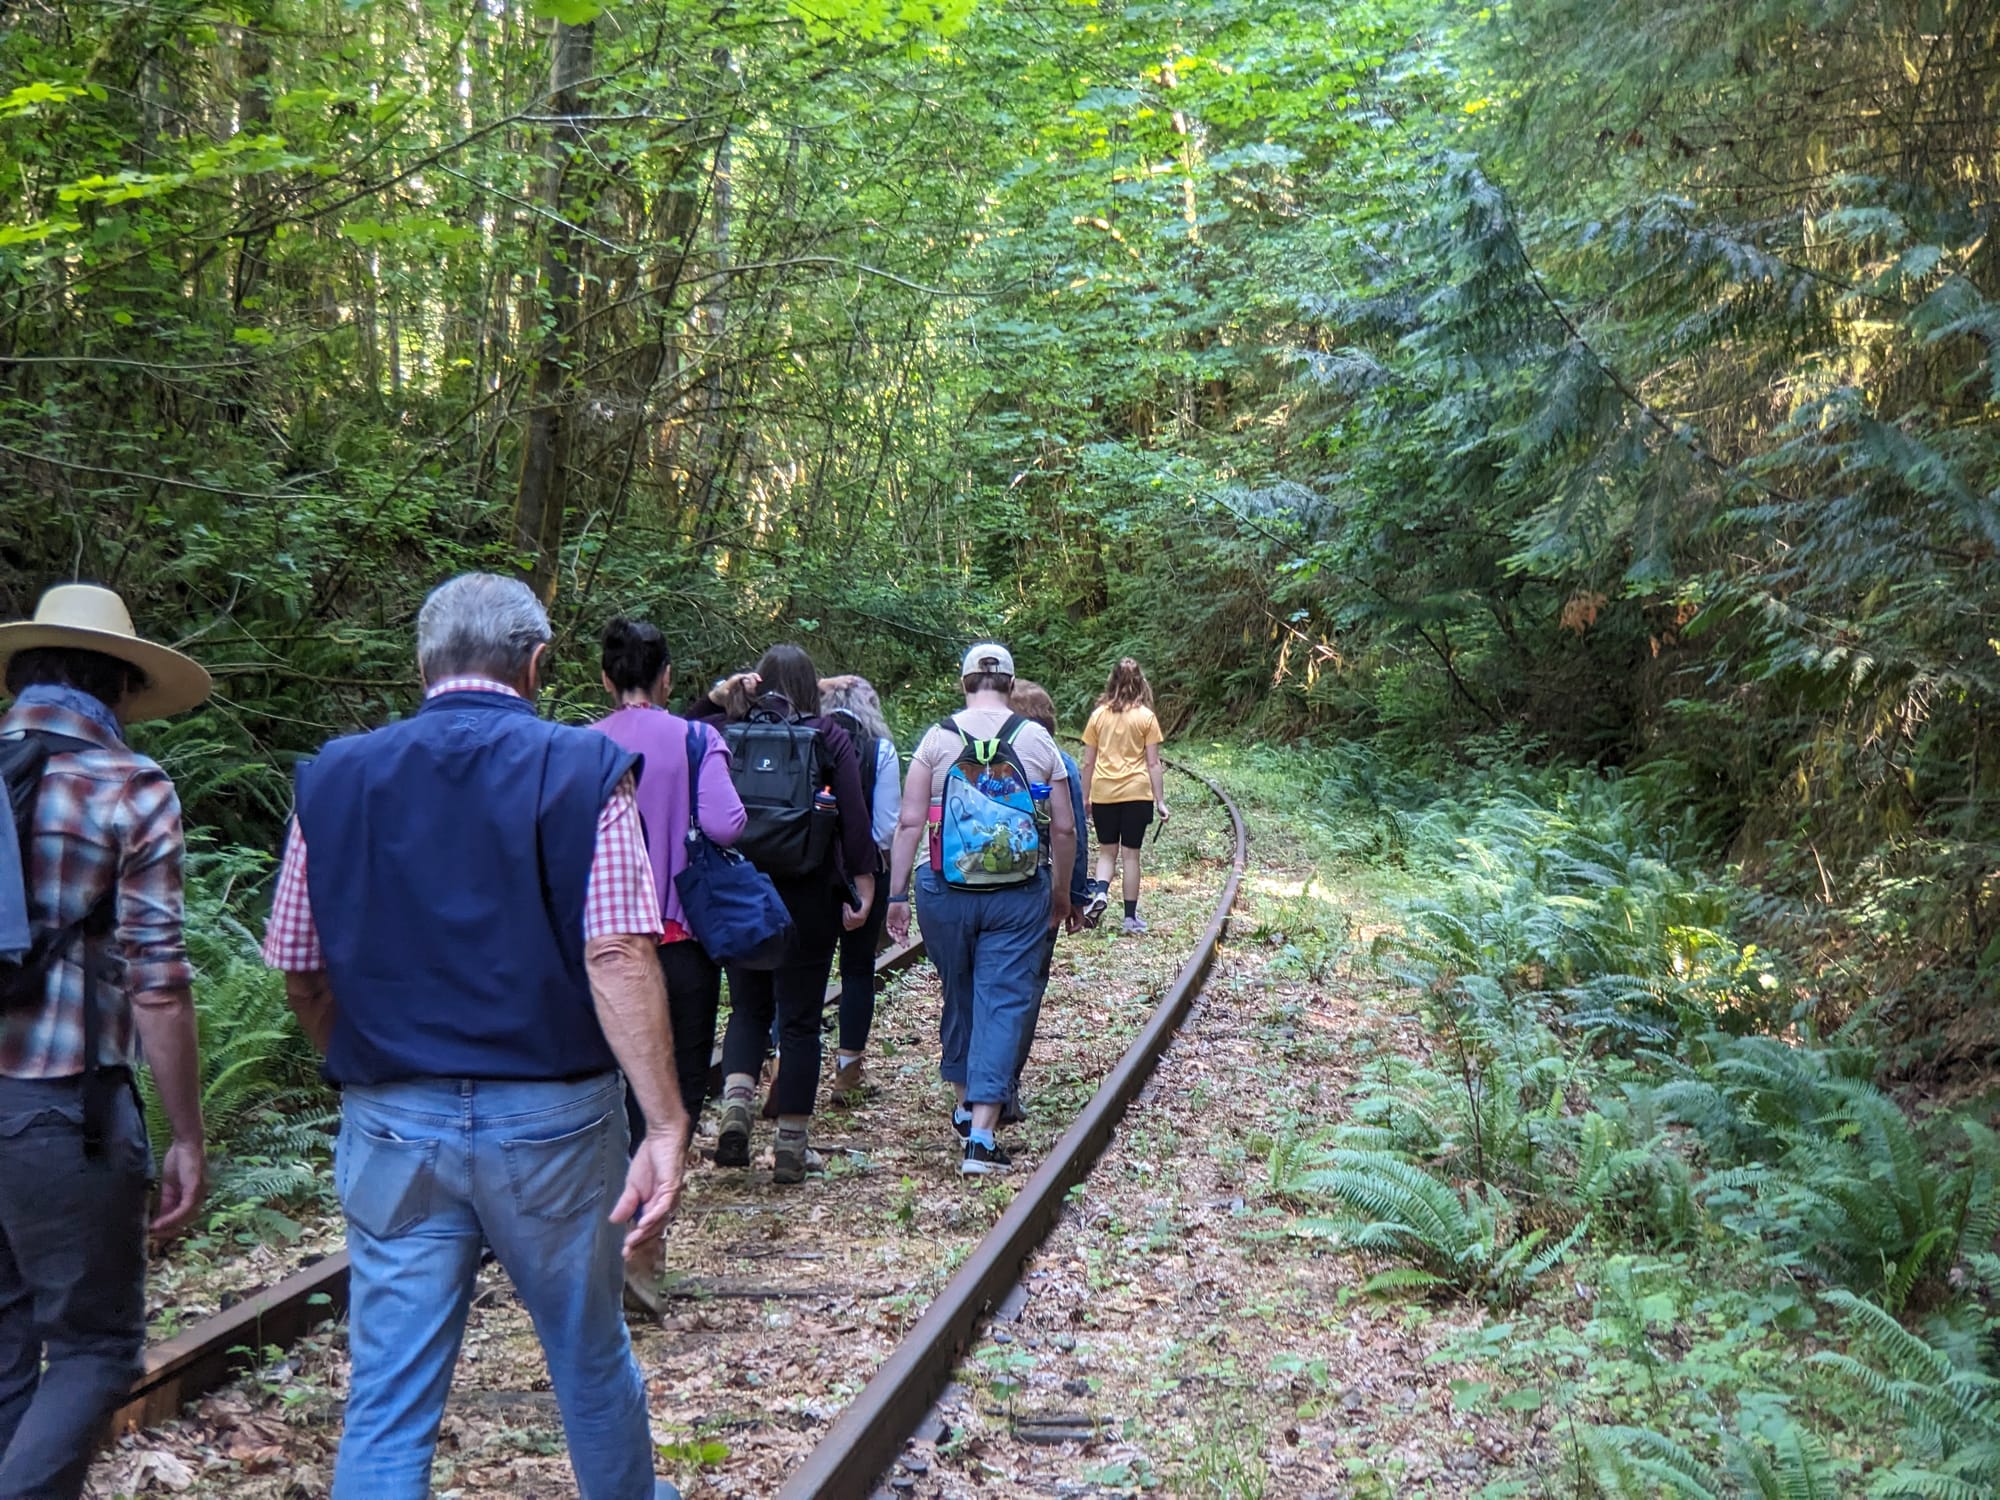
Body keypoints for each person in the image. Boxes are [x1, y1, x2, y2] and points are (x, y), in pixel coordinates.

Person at [261, 574, 688, 1500]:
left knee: (388, 1397)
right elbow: (615, 952)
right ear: (538, 665)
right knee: (588, 1358)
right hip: (554, 1124)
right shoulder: (580, 772)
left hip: (391, 1121)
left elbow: (298, 961)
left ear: (421, 665)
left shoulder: (334, 776)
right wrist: (662, 1124)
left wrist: (361, 1056)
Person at [0, 585, 210, 1500]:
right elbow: (157, 981)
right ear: (121, 689)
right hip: (62, 1108)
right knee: (95, 1344)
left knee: (5, 1342)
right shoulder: (131, 785)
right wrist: (188, 1133)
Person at [591, 618, 746, 1314]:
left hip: (599, 949)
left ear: (603, 678)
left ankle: (602, 1237)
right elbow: (725, 825)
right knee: (672, 1097)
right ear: (668, 678)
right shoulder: (696, 738)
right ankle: (645, 1251)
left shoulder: (579, 747)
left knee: (607, 1095)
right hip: (680, 942)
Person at [885, 643, 1075, 1175]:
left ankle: (967, 1105)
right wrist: (1060, 892)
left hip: (944, 891)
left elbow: (908, 823)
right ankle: (983, 1135)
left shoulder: (937, 738)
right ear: (1011, 686)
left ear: (964, 683)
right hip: (1016, 895)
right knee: (1004, 997)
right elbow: (1063, 827)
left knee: (960, 990)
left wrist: (897, 896)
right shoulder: (1035, 739)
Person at [694, 645, 876, 1183]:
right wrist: (862, 883)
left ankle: (735, 1111)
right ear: (810, 685)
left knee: (747, 1010)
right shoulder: (828, 735)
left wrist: (721, 696)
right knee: (799, 1022)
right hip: (809, 894)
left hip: (743, 892)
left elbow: (683, 726)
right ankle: (792, 1145)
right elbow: (856, 819)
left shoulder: (725, 732)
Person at [1003, 678, 1091, 1123]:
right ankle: (1007, 1085)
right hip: (1036, 888)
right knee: (1028, 985)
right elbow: (1071, 831)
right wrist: (1072, 896)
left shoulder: (977, 753)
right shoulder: (1060, 762)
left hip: (976, 885)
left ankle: (976, 1083)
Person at [819, 675, 900, 1097]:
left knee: (803, 973)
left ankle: (783, 1068)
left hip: (806, 872)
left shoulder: (805, 738)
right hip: (863, 873)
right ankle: (848, 1074)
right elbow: (886, 828)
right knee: (856, 971)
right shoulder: (878, 748)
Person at [1080, 657, 1169, 934]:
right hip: (1137, 794)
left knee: (1107, 853)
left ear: (1112, 681)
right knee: (1131, 856)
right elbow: (1153, 763)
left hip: (1104, 793)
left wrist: (1085, 798)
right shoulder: (1146, 717)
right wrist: (1160, 800)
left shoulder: (1098, 716)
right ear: (1141, 682)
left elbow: (1088, 763)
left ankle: (1101, 893)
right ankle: (1130, 918)